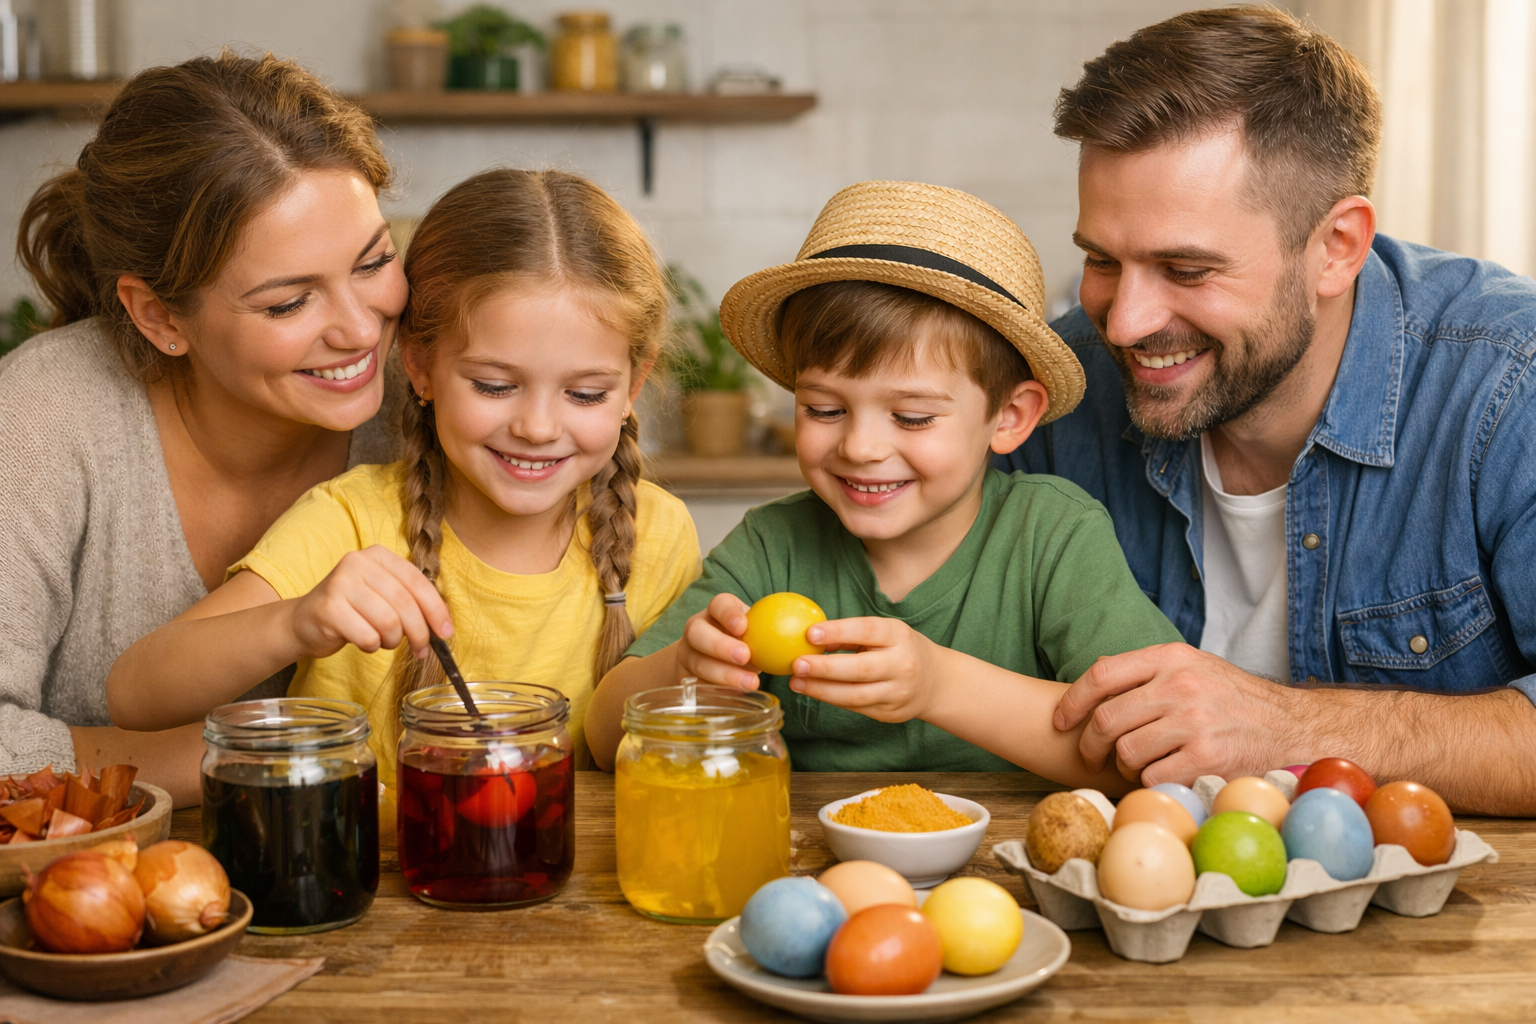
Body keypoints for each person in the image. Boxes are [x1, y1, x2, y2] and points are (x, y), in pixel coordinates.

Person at [993, 6, 1536, 815]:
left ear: (1336, 248)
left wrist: (1292, 727)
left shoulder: (1508, 384)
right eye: (1102, 260)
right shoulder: (1055, 386)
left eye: (1186, 269)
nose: (1125, 323)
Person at [106, 169, 701, 797]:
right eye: (494, 386)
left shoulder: (658, 535)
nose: (537, 427)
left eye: (585, 394)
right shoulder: (350, 520)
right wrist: (297, 621)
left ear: (633, 387)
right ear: (419, 365)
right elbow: (135, 692)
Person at [587, 180, 1183, 786]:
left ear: (1009, 417)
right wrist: (685, 669)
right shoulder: (771, 547)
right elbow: (606, 738)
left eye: (912, 417)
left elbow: (1146, 749)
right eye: (823, 409)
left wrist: (940, 686)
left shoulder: (1054, 538)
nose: (860, 447)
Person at [0, 53, 409, 804]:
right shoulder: (44, 413)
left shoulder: (438, 398)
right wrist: (255, 755)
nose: (360, 331)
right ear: (159, 315)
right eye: (289, 303)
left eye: (373, 262)